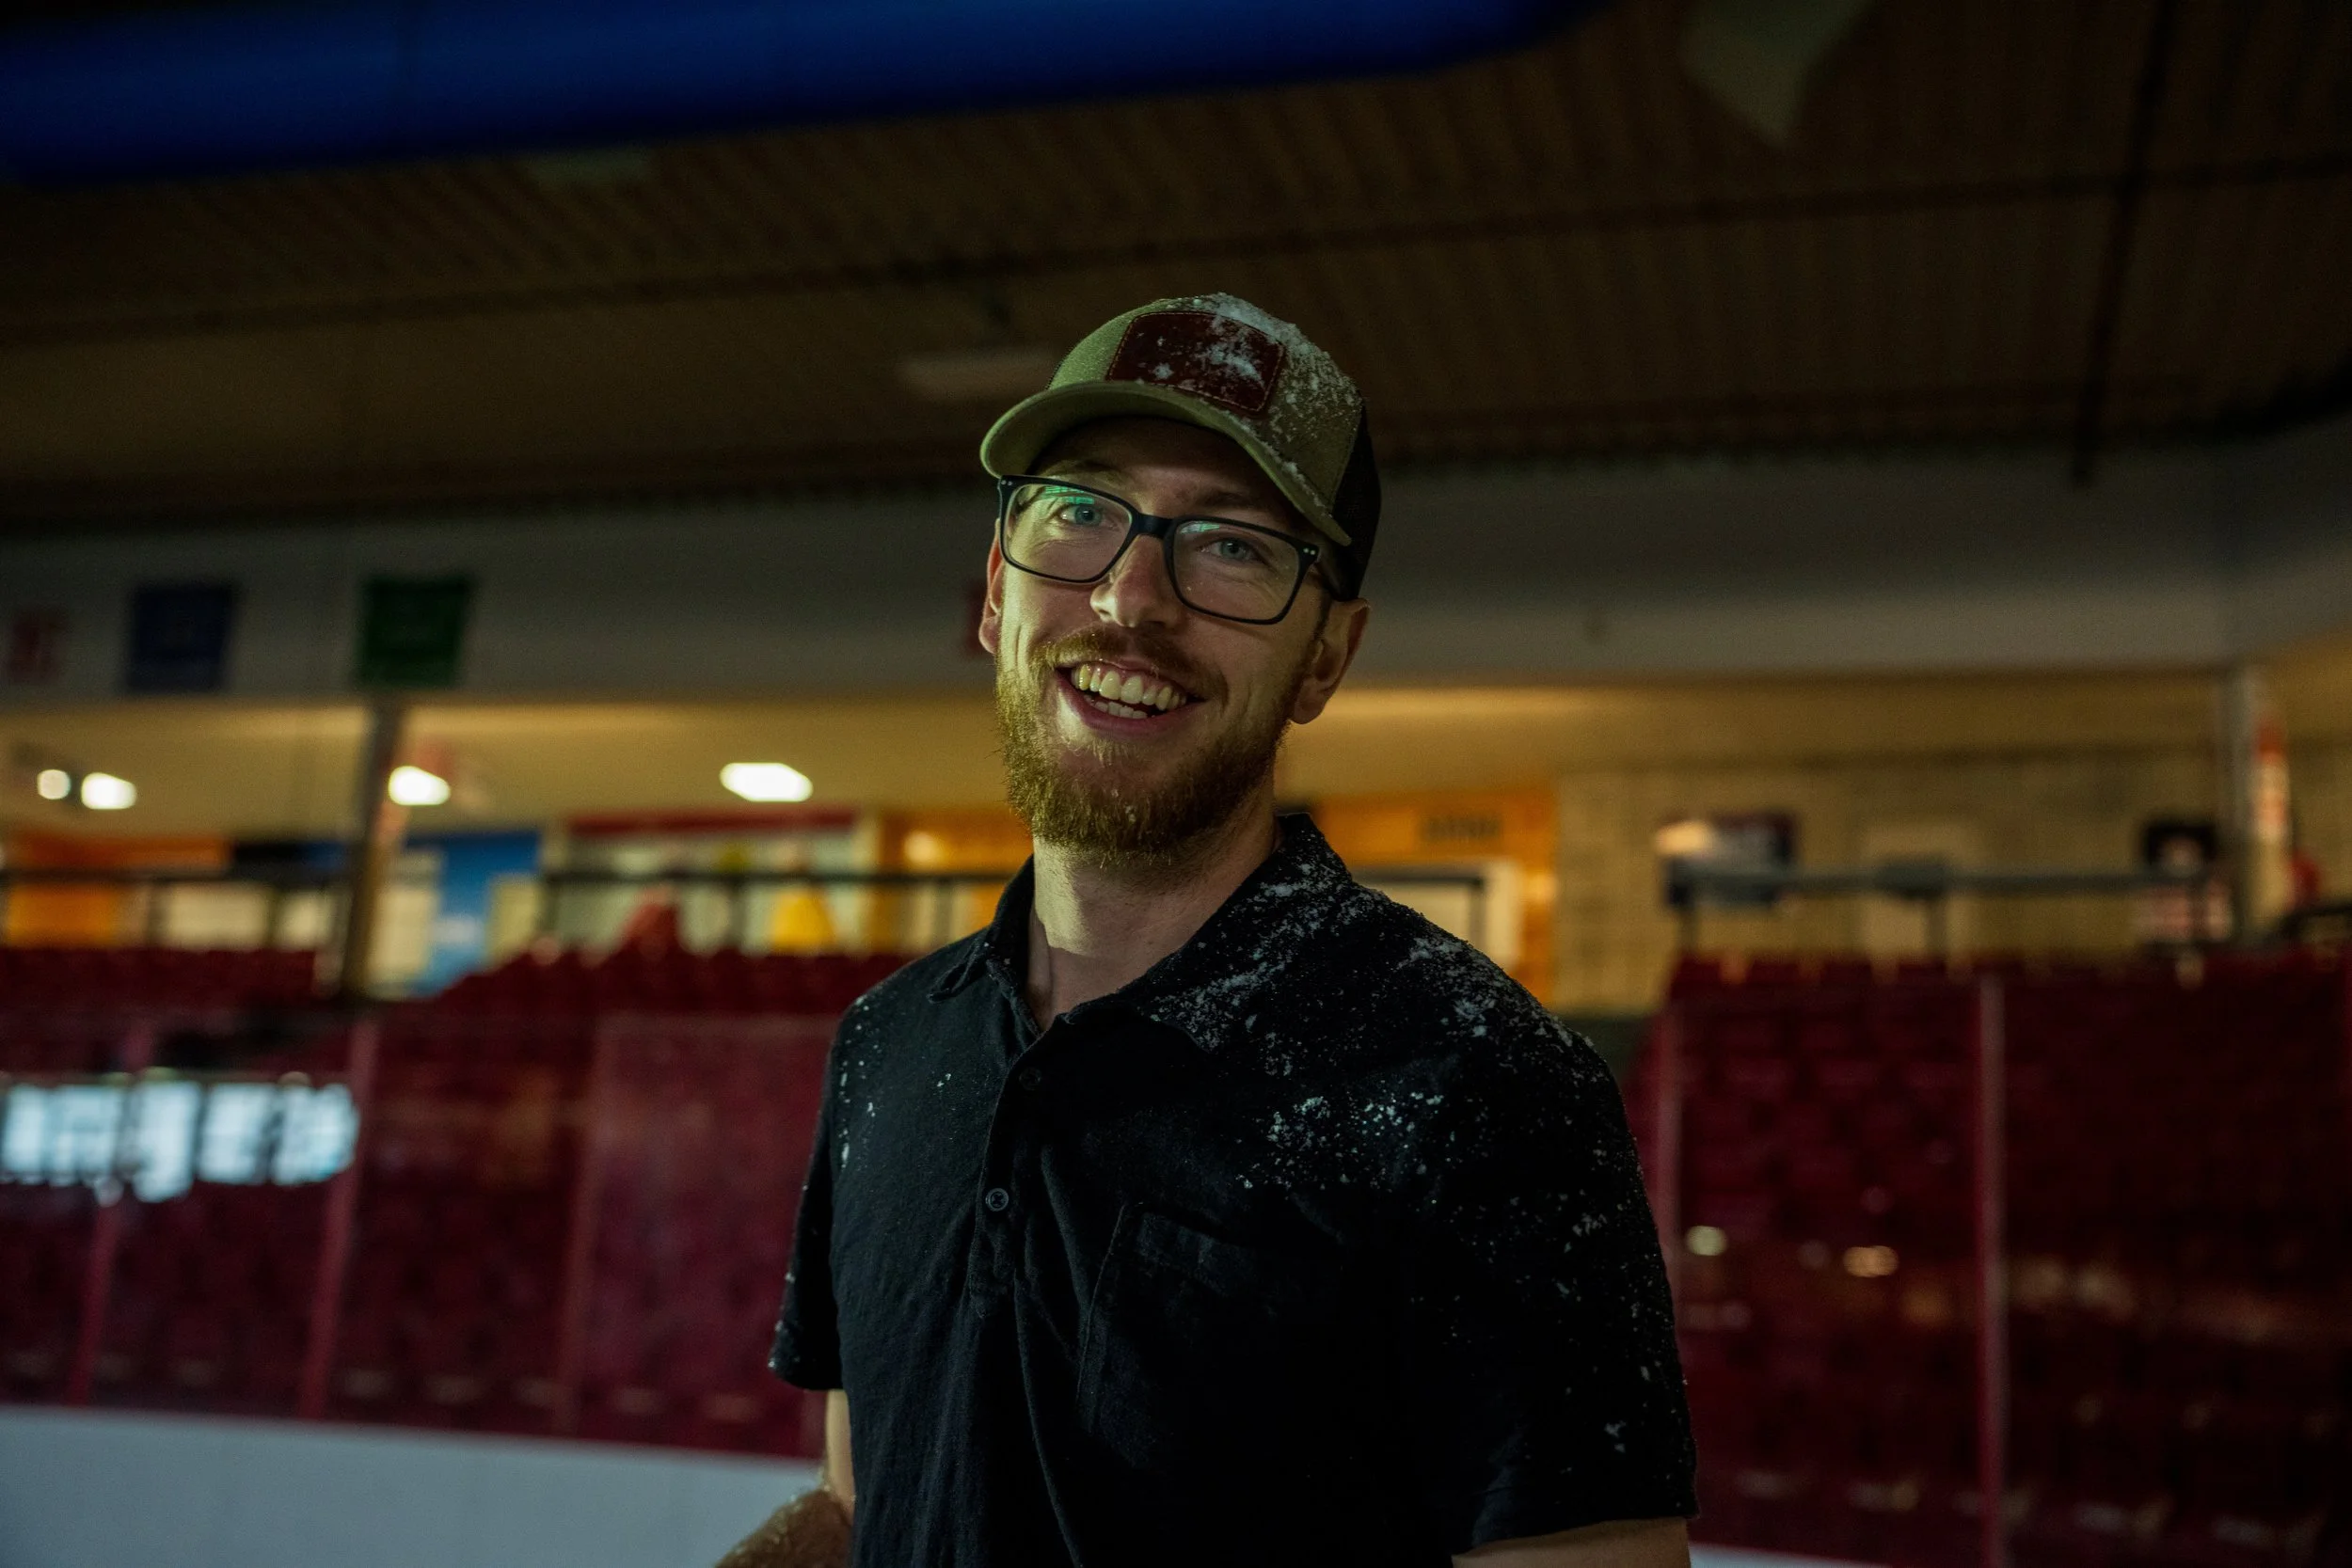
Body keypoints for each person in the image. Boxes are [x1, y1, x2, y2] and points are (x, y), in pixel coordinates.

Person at [718, 294, 1695, 1568]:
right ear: (998, 590)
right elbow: (863, 1502)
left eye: (1232, 545)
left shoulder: (1483, 1081)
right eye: (1079, 511)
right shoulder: (889, 1047)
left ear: (1328, 657)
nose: (1132, 597)